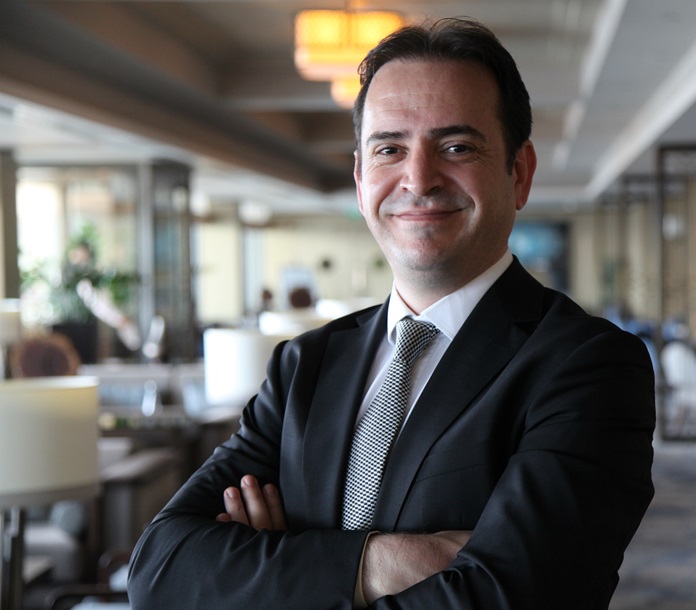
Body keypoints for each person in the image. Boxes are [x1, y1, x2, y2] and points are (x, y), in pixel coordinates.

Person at [128, 17, 655, 609]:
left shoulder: (589, 365)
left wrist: (279, 567)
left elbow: (514, 598)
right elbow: (159, 571)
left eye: (457, 147)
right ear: (360, 180)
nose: (419, 178)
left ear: (519, 172)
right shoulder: (305, 364)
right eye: (389, 149)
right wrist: (377, 563)